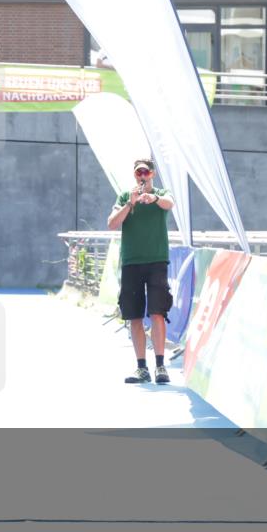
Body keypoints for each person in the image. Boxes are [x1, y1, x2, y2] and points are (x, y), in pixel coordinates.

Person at [106, 158, 176, 385]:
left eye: (146, 172)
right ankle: (141, 368)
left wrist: (153, 198)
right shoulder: (125, 197)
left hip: (156, 260)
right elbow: (112, 224)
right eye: (138, 173)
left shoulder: (161, 194)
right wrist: (131, 204)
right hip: (131, 262)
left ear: (152, 174)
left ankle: (160, 366)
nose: (142, 176)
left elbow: (169, 203)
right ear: (134, 175)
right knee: (134, 315)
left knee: (157, 313)